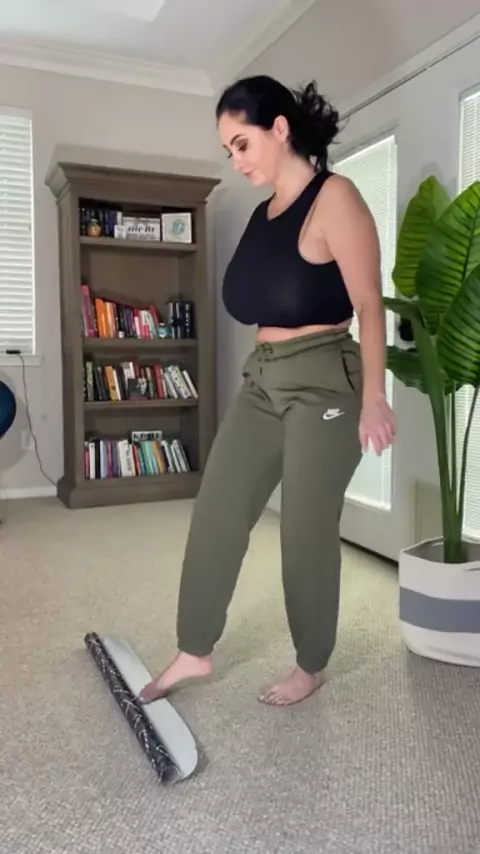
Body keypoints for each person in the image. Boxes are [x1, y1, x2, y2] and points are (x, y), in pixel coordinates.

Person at [139, 74, 396, 707]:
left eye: (242, 143)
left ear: (280, 128)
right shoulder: (262, 215)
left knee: (304, 529)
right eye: (228, 149)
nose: (236, 160)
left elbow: (369, 304)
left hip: (325, 379)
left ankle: (311, 663)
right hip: (264, 378)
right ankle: (195, 649)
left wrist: (373, 397)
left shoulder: (335, 197)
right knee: (218, 509)